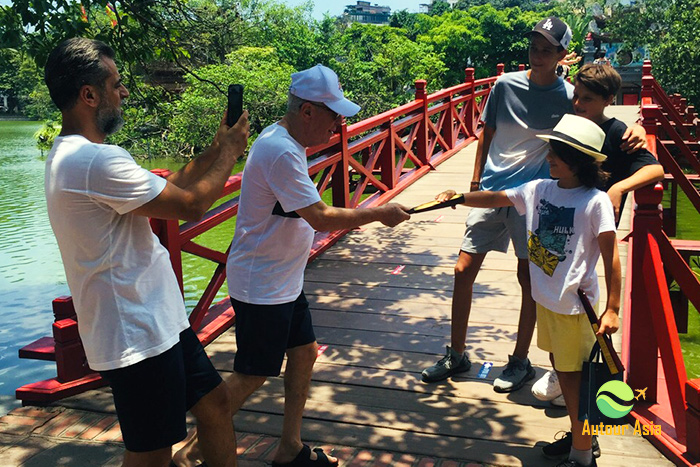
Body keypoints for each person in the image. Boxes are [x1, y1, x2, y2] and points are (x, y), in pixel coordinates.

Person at [172, 64, 410, 467]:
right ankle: (191, 452)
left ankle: (290, 448)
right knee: (252, 373)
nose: (339, 124)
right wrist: (378, 212)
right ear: (307, 112)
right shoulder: (280, 150)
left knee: (304, 352)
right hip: (263, 285)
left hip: (283, 279)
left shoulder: (287, 142)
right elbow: (318, 216)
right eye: (334, 114)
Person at [43, 37, 249, 467]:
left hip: (158, 321)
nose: (124, 92)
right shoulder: (95, 162)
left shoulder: (74, 156)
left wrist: (215, 148)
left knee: (215, 407)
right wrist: (231, 153)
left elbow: (171, 185)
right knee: (151, 453)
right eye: (116, 84)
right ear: (89, 95)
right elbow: (190, 206)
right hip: (135, 334)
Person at [420, 16, 644, 393]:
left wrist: (633, 129)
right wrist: (473, 182)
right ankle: (457, 353)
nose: (537, 55)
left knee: (529, 279)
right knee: (462, 269)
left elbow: (598, 121)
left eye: (546, 50)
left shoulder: (569, 97)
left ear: (561, 54)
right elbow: (486, 132)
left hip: (536, 198)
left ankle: (520, 361)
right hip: (493, 189)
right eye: (533, 48)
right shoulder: (504, 86)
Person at [437, 113, 621, 467]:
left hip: (574, 308)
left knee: (573, 380)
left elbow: (612, 258)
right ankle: (582, 438)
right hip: (546, 302)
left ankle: (582, 457)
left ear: (580, 160)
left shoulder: (594, 202)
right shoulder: (539, 189)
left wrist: (612, 308)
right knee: (560, 367)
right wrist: (459, 197)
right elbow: (497, 198)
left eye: (557, 153)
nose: (549, 157)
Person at [531, 62, 664, 460]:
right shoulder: (572, 125)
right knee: (569, 359)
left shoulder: (620, 135)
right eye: (576, 96)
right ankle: (579, 431)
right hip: (560, 252)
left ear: (610, 100)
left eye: (587, 98)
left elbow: (655, 166)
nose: (578, 103)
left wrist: (620, 187)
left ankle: (584, 445)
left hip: (589, 259)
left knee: (584, 365)